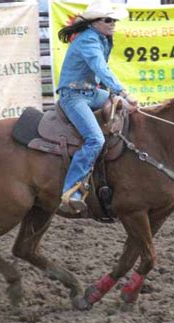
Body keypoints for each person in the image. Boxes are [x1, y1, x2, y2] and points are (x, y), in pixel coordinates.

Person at [56, 0, 137, 213]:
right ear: (95, 22)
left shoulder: (101, 38)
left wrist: (122, 98)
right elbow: (100, 68)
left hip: (90, 93)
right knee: (95, 139)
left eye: (114, 20)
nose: (113, 24)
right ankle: (71, 191)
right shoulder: (88, 41)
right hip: (74, 96)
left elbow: (100, 70)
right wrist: (121, 92)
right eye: (108, 20)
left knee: (128, 109)